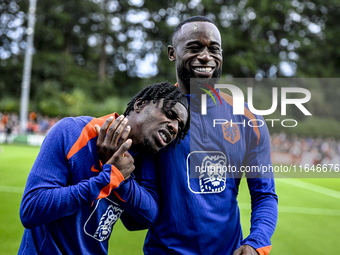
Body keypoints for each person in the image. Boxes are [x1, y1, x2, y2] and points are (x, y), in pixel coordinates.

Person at [139, 16, 278, 255]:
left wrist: (256, 242)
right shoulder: (152, 117)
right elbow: (141, 212)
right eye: (194, 47)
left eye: (214, 49)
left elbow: (264, 194)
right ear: (172, 53)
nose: (206, 56)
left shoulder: (248, 119)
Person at [18, 82, 190, 255]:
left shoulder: (145, 160)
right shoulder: (73, 131)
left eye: (180, 126)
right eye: (170, 114)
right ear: (140, 104)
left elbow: (144, 219)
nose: (174, 127)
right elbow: (32, 209)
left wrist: (123, 181)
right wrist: (108, 179)